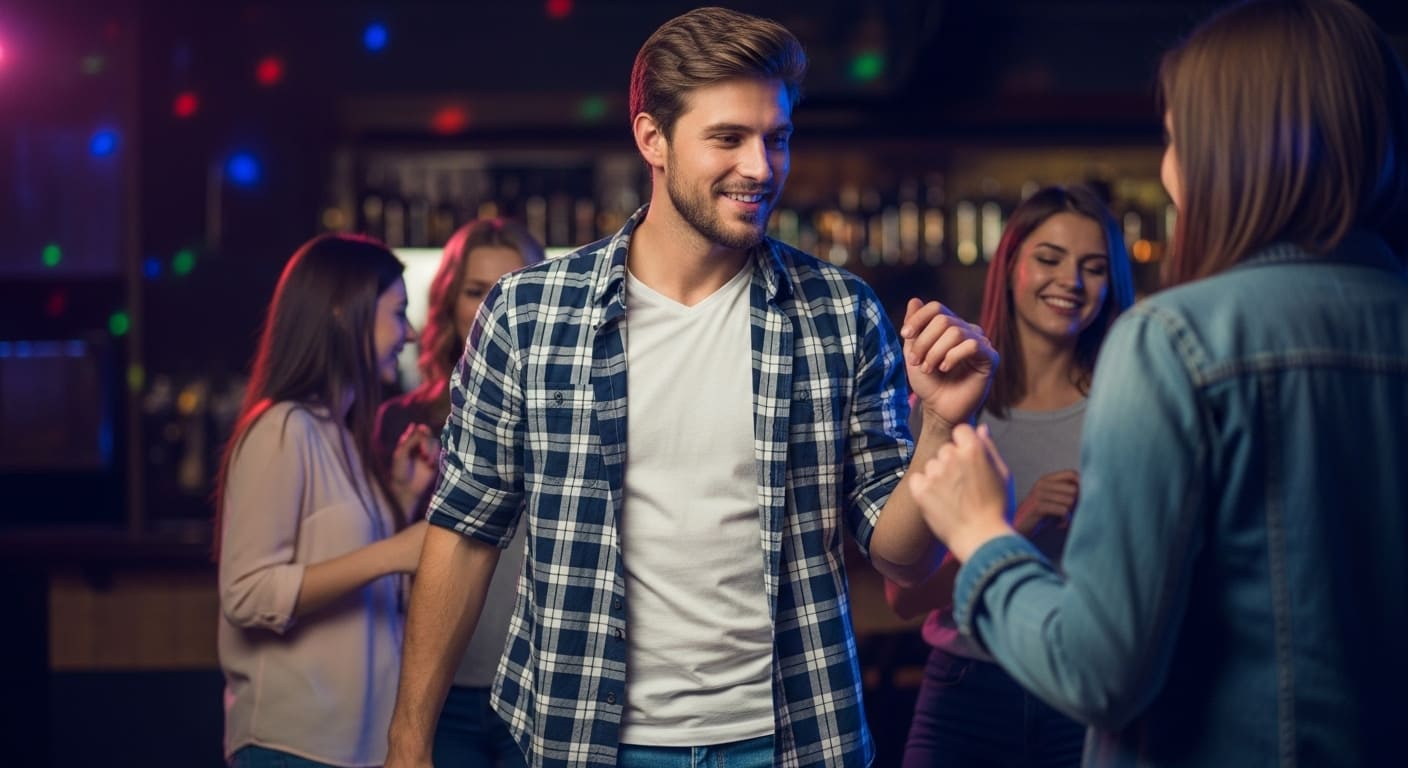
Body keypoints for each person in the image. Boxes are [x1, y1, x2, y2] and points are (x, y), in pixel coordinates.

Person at [385, 7, 997, 768]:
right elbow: (463, 533)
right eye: (728, 139)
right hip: (584, 738)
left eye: (776, 138)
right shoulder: (531, 314)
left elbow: (901, 557)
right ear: (652, 139)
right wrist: (409, 738)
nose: (761, 167)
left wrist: (938, 425)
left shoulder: (839, 313)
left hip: (789, 739)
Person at [907, 1, 1408, 765]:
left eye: (1174, 138)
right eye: (1047, 259)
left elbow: (1099, 671)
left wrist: (982, 531)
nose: (1171, 171)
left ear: (1226, 151)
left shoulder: (1175, 342)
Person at [886, 185, 1135, 767]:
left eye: (1093, 267)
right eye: (1049, 259)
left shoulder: (1128, 402)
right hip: (965, 688)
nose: (1071, 281)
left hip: (1080, 685)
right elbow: (904, 597)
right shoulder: (951, 400)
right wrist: (1011, 531)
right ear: (1011, 265)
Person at [215, 234, 434, 767]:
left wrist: (402, 498)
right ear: (343, 314)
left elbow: (338, 556)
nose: (407, 335)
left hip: (356, 745)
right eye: (397, 314)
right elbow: (245, 593)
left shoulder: (341, 432)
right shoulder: (282, 427)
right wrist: (398, 550)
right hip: (293, 747)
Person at [374, 218, 545, 768]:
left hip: (537, 692)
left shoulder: (572, 413)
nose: (498, 303)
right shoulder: (403, 419)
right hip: (440, 692)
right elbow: (378, 552)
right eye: (477, 290)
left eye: (515, 283)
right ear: (449, 302)